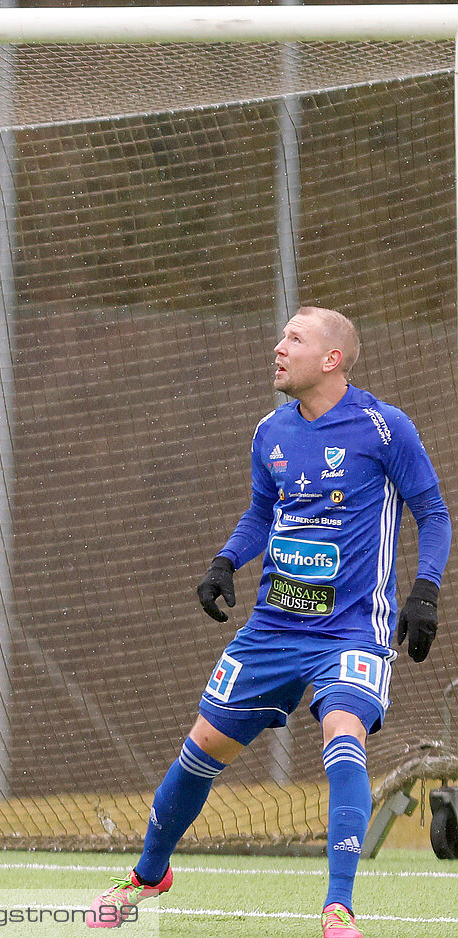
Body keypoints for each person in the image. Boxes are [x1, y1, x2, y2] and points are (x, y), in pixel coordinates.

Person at [84, 308, 449, 938]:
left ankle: (339, 907)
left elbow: (434, 514)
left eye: (294, 339)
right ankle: (148, 875)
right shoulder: (270, 432)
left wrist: (425, 593)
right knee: (200, 752)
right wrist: (226, 562)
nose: (278, 348)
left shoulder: (384, 429)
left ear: (331, 360)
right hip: (275, 630)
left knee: (343, 739)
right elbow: (261, 511)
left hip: (353, 631)